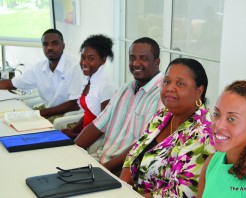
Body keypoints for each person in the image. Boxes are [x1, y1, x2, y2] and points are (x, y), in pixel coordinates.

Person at [120, 58, 215, 198]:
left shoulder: (203, 133)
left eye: (180, 83)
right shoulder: (163, 114)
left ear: (199, 91)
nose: (170, 88)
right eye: (166, 81)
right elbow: (133, 154)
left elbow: (181, 193)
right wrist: (120, 189)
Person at [75, 37, 164, 173]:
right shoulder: (125, 89)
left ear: (156, 62)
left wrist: (105, 170)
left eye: (143, 58)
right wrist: (72, 150)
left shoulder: (161, 96)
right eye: (132, 58)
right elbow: (97, 125)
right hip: (101, 162)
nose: (135, 63)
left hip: (125, 171)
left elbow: (143, 145)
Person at [0, 29, 84, 120]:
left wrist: (38, 114)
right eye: (45, 44)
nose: (49, 48)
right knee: (9, 119)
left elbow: (74, 105)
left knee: (23, 123)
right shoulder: (39, 67)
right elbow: (13, 83)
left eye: (55, 43)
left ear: (63, 45)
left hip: (70, 117)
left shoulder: (74, 67)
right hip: (50, 111)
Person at [61, 34, 116, 139]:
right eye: (83, 57)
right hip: (83, 134)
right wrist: (72, 130)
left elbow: (105, 125)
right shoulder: (90, 80)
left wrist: (74, 135)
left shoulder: (105, 86)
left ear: (103, 60)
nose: (84, 63)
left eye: (91, 58)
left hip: (93, 141)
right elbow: (89, 113)